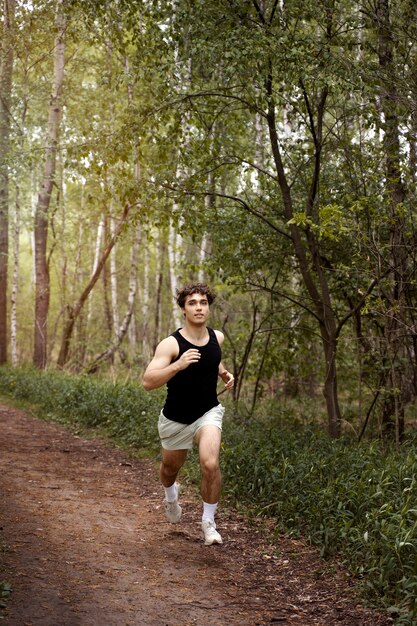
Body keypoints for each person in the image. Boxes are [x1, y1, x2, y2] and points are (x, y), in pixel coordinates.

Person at [143, 283, 234, 546]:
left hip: (208, 412)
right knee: (170, 469)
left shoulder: (217, 337)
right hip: (175, 418)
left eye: (203, 302)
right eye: (192, 303)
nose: (198, 307)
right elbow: (148, 381)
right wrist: (179, 364)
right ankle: (171, 496)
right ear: (183, 309)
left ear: (208, 307)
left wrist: (224, 373)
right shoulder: (171, 344)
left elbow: (212, 358)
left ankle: (209, 523)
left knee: (210, 463)